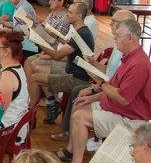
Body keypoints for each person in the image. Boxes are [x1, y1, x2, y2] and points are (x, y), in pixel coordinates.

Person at [63, 18, 151, 163]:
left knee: (79, 117)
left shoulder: (138, 64)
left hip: (130, 121)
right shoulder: (129, 57)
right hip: (119, 109)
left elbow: (122, 98)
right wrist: (91, 97)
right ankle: (71, 150)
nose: (115, 38)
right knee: (79, 105)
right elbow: (113, 87)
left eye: (118, 36)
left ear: (131, 38)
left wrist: (99, 83)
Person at [52, 9, 136, 144]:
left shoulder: (127, 51)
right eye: (112, 21)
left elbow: (118, 85)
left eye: (115, 22)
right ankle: (71, 137)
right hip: (106, 85)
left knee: (77, 92)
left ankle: (69, 134)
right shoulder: (117, 43)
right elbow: (109, 71)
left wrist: (96, 86)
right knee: (78, 93)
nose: (111, 24)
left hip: (110, 90)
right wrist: (93, 63)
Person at [27, 2, 95, 124]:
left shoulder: (81, 33)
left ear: (79, 16)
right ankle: (52, 103)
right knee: (37, 70)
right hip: (73, 74)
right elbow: (69, 45)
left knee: (34, 78)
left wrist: (38, 42)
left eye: (70, 13)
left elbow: (58, 56)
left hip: (76, 78)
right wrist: (54, 35)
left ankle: (29, 114)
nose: (67, 15)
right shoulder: (82, 31)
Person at [0, 30, 31, 132]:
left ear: (6, 51)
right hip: (13, 126)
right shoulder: (17, 67)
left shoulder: (7, 77)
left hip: (7, 132)